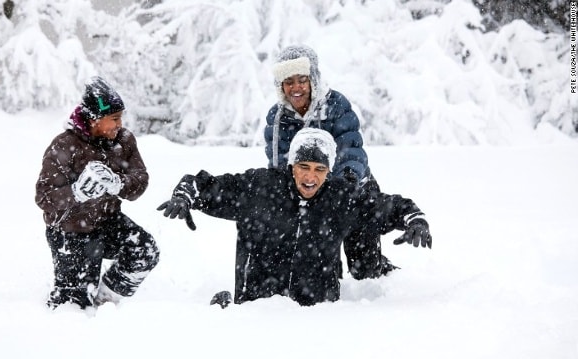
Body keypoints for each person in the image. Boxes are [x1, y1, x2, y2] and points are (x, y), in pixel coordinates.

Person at [158, 128, 431, 307]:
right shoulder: (261, 187)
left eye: (319, 169)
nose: (310, 177)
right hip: (257, 311)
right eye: (303, 167)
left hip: (317, 319)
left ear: (329, 171)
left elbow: (391, 206)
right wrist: (185, 196)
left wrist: (414, 220)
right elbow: (205, 186)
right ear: (291, 166)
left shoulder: (340, 199)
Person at [264, 44, 390, 280]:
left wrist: (346, 181)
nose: (296, 87)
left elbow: (350, 147)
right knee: (322, 271)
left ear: (313, 79)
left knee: (364, 271)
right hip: (312, 196)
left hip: (353, 189)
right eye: (288, 82)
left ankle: (380, 268)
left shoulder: (335, 105)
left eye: (301, 79)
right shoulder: (277, 117)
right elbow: (279, 162)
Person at [35, 76, 159, 309]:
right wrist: (76, 193)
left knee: (144, 252)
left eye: (120, 117)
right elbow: (44, 197)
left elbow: (140, 181)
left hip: (107, 221)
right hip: (70, 232)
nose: (119, 124)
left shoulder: (124, 140)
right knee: (73, 307)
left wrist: (117, 183)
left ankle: (105, 301)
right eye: (114, 118)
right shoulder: (64, 146)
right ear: (93, 119)